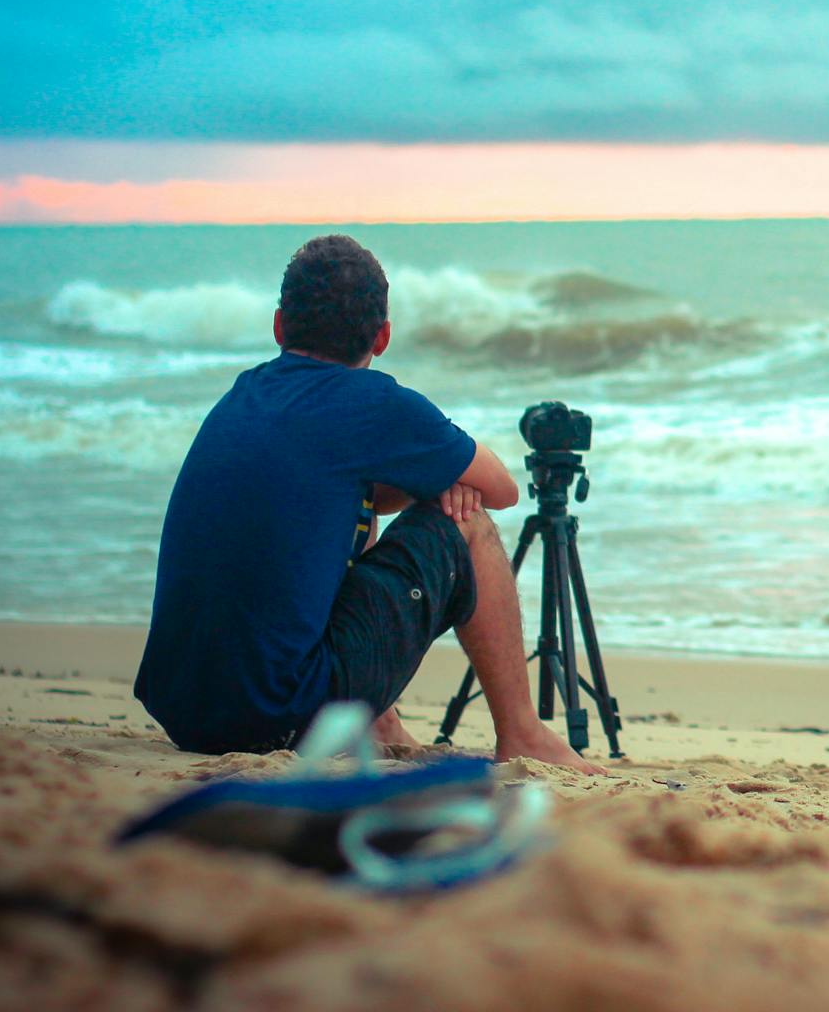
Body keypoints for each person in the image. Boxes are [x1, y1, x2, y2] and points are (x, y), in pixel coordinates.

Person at [134, 234, 602, 772]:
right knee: (467, 518)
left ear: (279, 326)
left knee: (345, 505)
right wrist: (436, 480)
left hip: (184, 709)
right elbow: (501, 489)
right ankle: (522, 731)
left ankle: (382, 720)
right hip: (273, 718)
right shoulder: (372, 402)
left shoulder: (246, 392)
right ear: (382, 337)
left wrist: (408, 478)